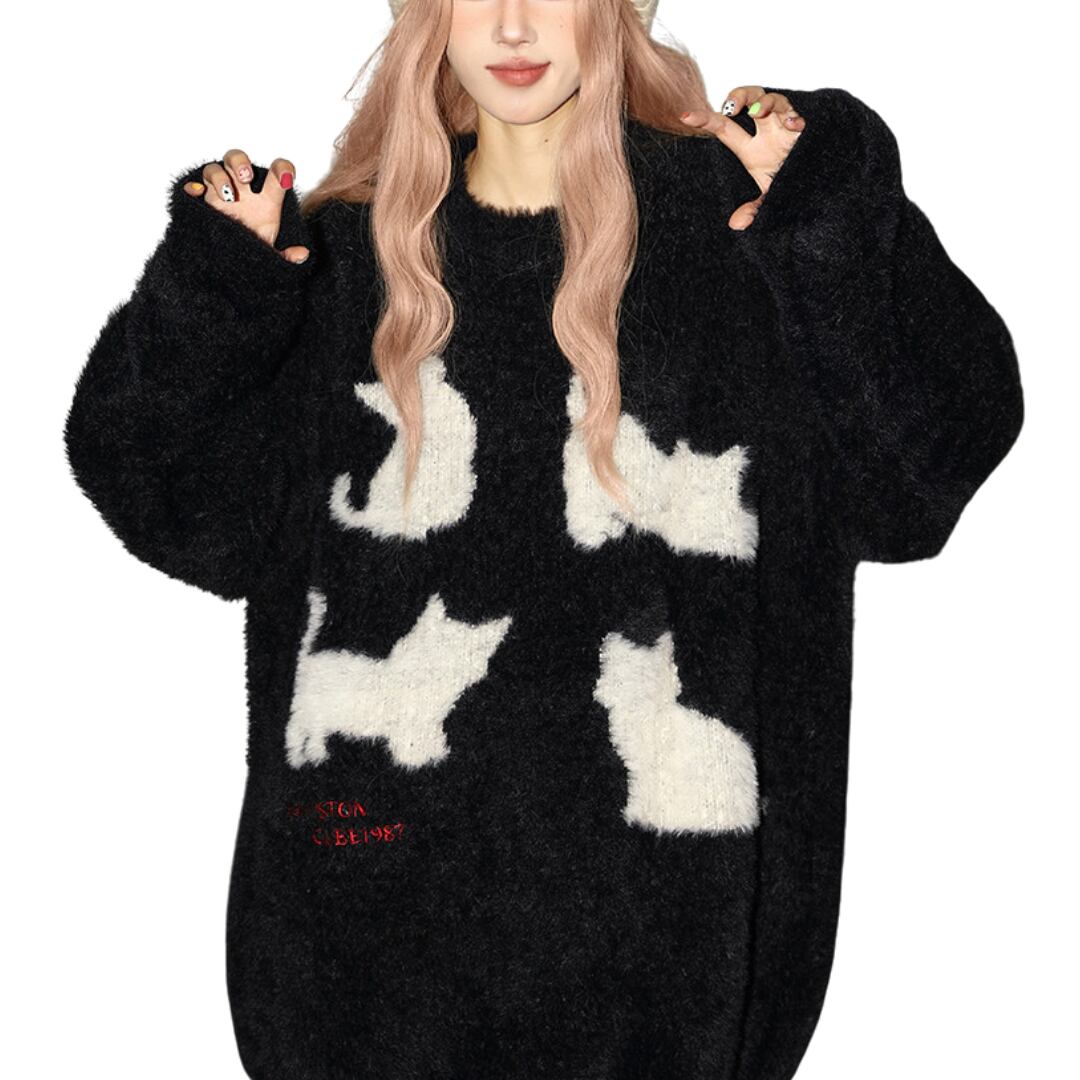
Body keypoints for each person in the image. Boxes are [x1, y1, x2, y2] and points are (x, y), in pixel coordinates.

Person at [62, 1, 1025, 1078]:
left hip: (681, 990)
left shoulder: (746, 230)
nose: (513, 25)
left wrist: (832, 221)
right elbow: (177, 510)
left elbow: (914, 485)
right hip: (352, 973)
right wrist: (216, 292)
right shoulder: (336, 262)